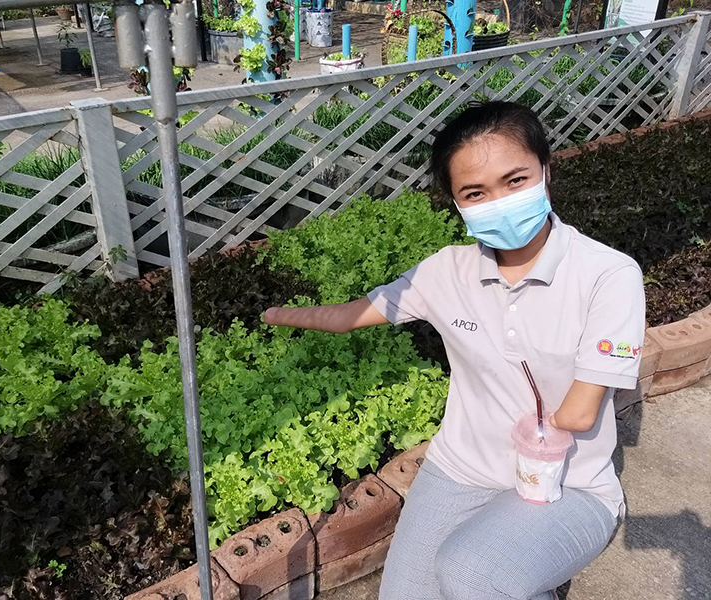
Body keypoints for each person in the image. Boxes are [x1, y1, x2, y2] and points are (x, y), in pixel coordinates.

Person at [264, 101, 645, 599]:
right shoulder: (447, 271)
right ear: (458, 203)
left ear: (545, 170)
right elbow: (350, 315)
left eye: (515, 180)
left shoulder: (607, 274)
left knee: (473, 572)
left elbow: (578, 415)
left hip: (565, 483)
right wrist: (276, 315)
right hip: (459, 470)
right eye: (475, 192)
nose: (500, 201)